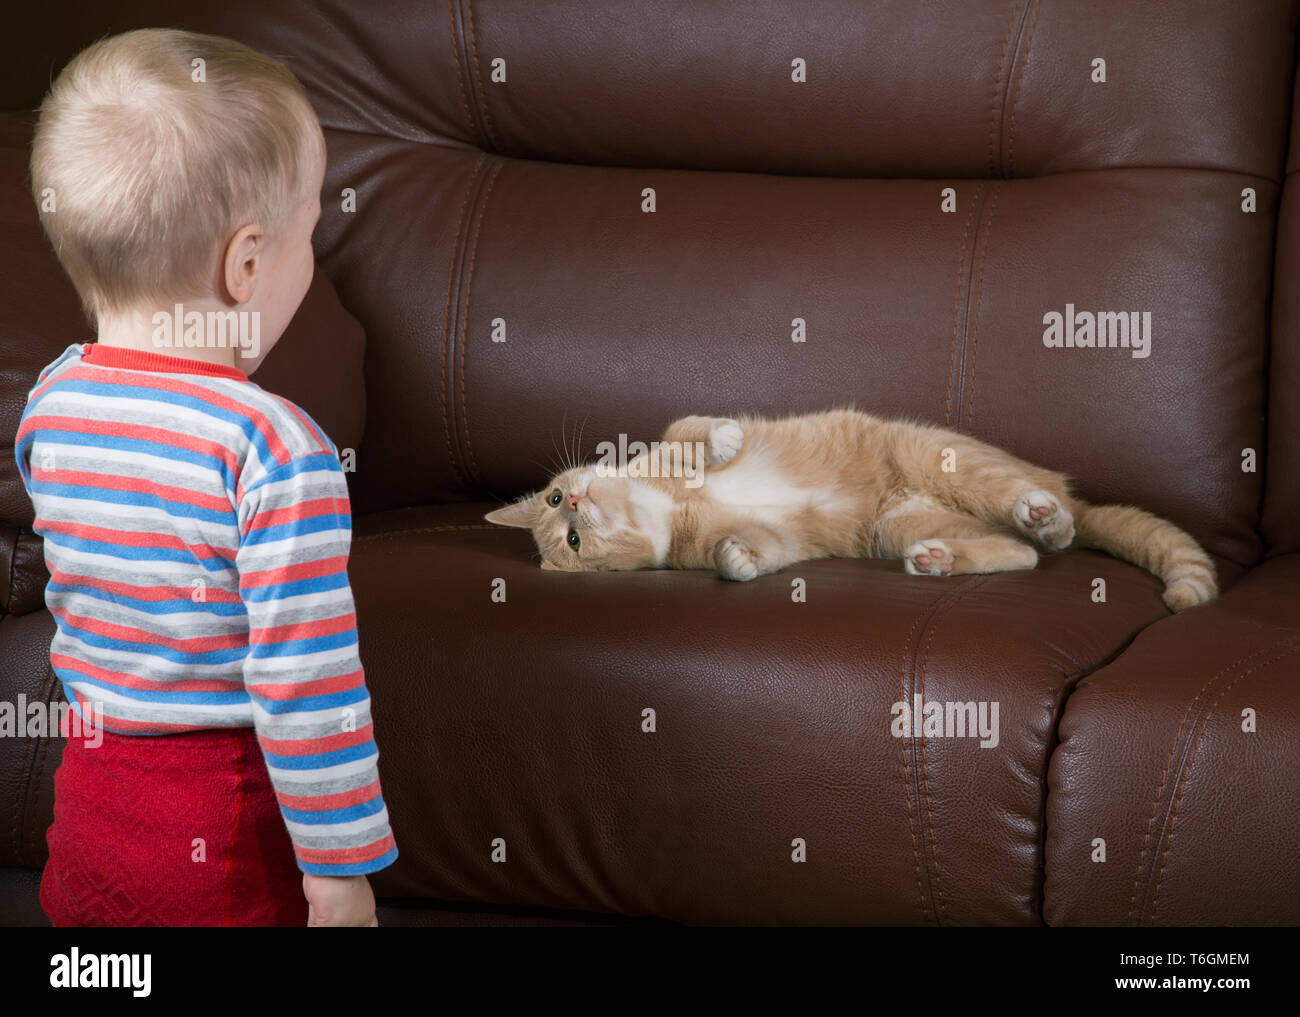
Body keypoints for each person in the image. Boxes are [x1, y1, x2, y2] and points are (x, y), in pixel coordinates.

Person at [15, 27, 396, 926]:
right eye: (309, 232)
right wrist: (338, 871)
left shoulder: (52, 404)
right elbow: (307, 683)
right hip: (220, 837)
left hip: (91, 814)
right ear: (247, 264)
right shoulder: (272, 447)